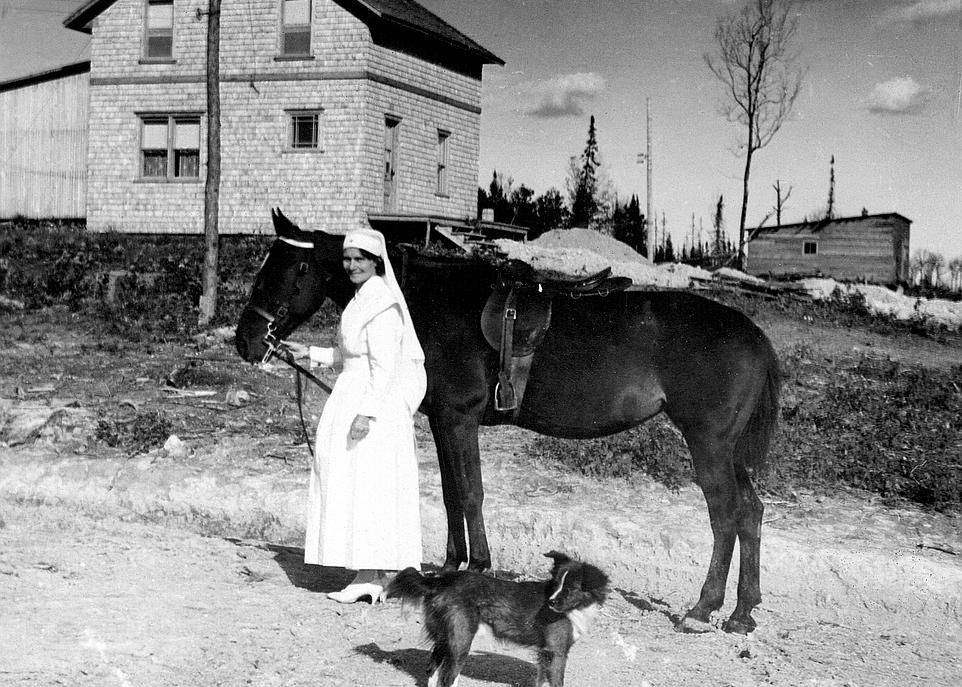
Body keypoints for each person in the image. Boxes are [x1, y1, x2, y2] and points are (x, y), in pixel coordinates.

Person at [285, 228, 427, 604]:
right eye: (347, 259)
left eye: (360, 259)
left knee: (366, 485)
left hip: (372, 404)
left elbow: (382, 367)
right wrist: (310, 352)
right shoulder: (360, 299)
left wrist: (366, 414)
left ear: (376, 261)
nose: (352, 265)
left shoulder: (381, 303)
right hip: (354, 395)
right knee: (352, 481)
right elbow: (350, 355)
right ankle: (372, 574)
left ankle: (369, 576)